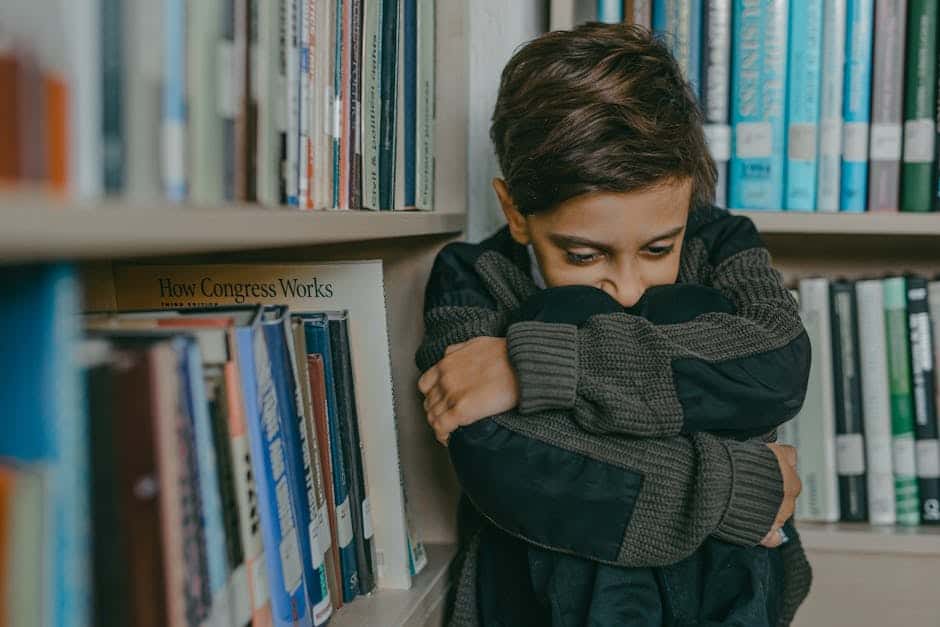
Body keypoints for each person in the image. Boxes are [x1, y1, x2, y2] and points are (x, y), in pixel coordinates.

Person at [416, 23, 812, 627]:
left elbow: (777, 365)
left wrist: (543, 366)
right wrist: (735, 490)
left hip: (724, 593)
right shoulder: (472, 277)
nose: (628, 287)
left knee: (680, 305)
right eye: (584, 255)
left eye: (659, 248)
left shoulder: (719, 239)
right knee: (565, 312)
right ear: (515, 212)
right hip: (544, 597)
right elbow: (503, 459)